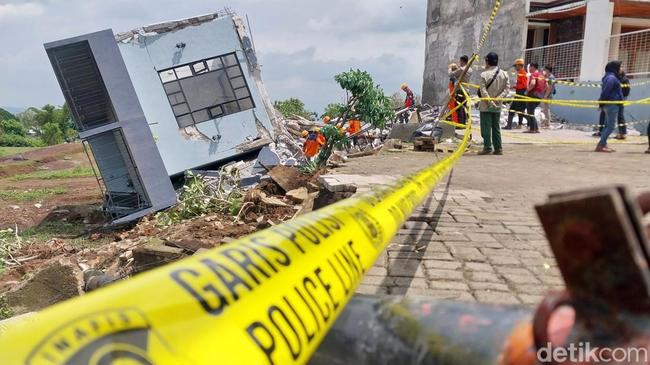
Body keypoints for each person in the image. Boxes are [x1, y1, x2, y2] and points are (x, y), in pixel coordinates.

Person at [478, 52, 510, 155]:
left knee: (486, 127)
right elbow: (506, 89)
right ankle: (498, 148)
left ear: (487, 61)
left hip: (486, 106)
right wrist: (497, 99)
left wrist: (489, 101)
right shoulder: (505, 74)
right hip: (497, 105)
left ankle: (487, 147)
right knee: (496, 127)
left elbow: (483, 91)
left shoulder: (484, 74)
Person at [596, 60, 623, 153]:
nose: (621, 69)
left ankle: (604, 144)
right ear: (615, 68)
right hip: (611, 104)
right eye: (620, 67)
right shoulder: (611, 78)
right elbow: (605, 91)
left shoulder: (611, 77)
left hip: (610, 104)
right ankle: (600, 145)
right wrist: (601, 103)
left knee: (607, 125)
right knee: (611, 126)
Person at [449, 55, 474, 125]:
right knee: (463, 107)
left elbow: (451, 74)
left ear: (462, 61)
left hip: (460, 90)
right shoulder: (470, 69)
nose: (459, 62)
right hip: (466, 90)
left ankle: (460, 124)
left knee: (458, 107)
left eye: (460, 61)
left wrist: (450, 68)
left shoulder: (462, 69)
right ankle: (463, 122)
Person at [505, 59, 528, 130]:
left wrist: (516, 86)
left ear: (519, 65)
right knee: (518, 110)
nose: (515, 68)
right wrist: (514, 86)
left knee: (516, 110)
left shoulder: (523, 73)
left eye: (516, 66)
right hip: (519, 93)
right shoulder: (521, 73)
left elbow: (524, 85)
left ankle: (530, 122)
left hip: (521, 94)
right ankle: (516, 125)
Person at [524, 62, 546, 133]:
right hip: (539, 96)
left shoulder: (534, 74)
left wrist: (527, 91)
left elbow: (532, 83)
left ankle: (532, 129)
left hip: (532, 95)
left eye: (530, 67)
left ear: (533, 67)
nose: (529, 69)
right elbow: (546, 86)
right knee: (531, 112)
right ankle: (536, 129)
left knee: (530, 112)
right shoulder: (542, 75)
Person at [616, 70, 631, 140]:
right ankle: (622, 133)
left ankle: (622, 133)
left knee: (620, 115)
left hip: (620, 99)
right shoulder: (619, 78)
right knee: (619, 115)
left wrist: (622, 98)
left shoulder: (623, 79)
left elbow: (627, 91)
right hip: (619, 98)